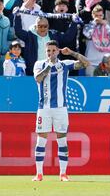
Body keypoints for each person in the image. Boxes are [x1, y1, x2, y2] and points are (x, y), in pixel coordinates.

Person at [32, 40, 90, 182]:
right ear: (46, 52)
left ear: (58, 51)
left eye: (53, 50)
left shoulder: (64, 64)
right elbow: (38, 79)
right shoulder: (39, 64)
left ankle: (63, 174)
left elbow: (85, 63)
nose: (51, 53)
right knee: (41, 141)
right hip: (44, 108)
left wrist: (71, 53)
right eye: (48, 51)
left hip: (60, 108)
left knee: (62, 140)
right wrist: (49, 66)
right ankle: (39, 174)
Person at [14, 10, 77, 75]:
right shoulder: (29, 36)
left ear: (48, 26)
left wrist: (74, 22)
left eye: (45, 26)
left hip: (53, 70)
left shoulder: (54, 35)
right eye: (40, 26)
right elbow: (18, 31)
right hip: (34, 71)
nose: (43, 28)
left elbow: (68, 37)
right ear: (35, 27)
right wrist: (17, 16)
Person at [83, 5, 110, 76]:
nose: (98, 17)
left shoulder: (108, 26)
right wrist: (94, 23)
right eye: (96, 15)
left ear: (103, 15)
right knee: (91, 85)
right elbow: (87, 34)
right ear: (92, 15)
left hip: (105, 63)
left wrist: (107, 26)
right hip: (91, 62)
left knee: (104, 85)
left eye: (100, 15)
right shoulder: (88, 25)